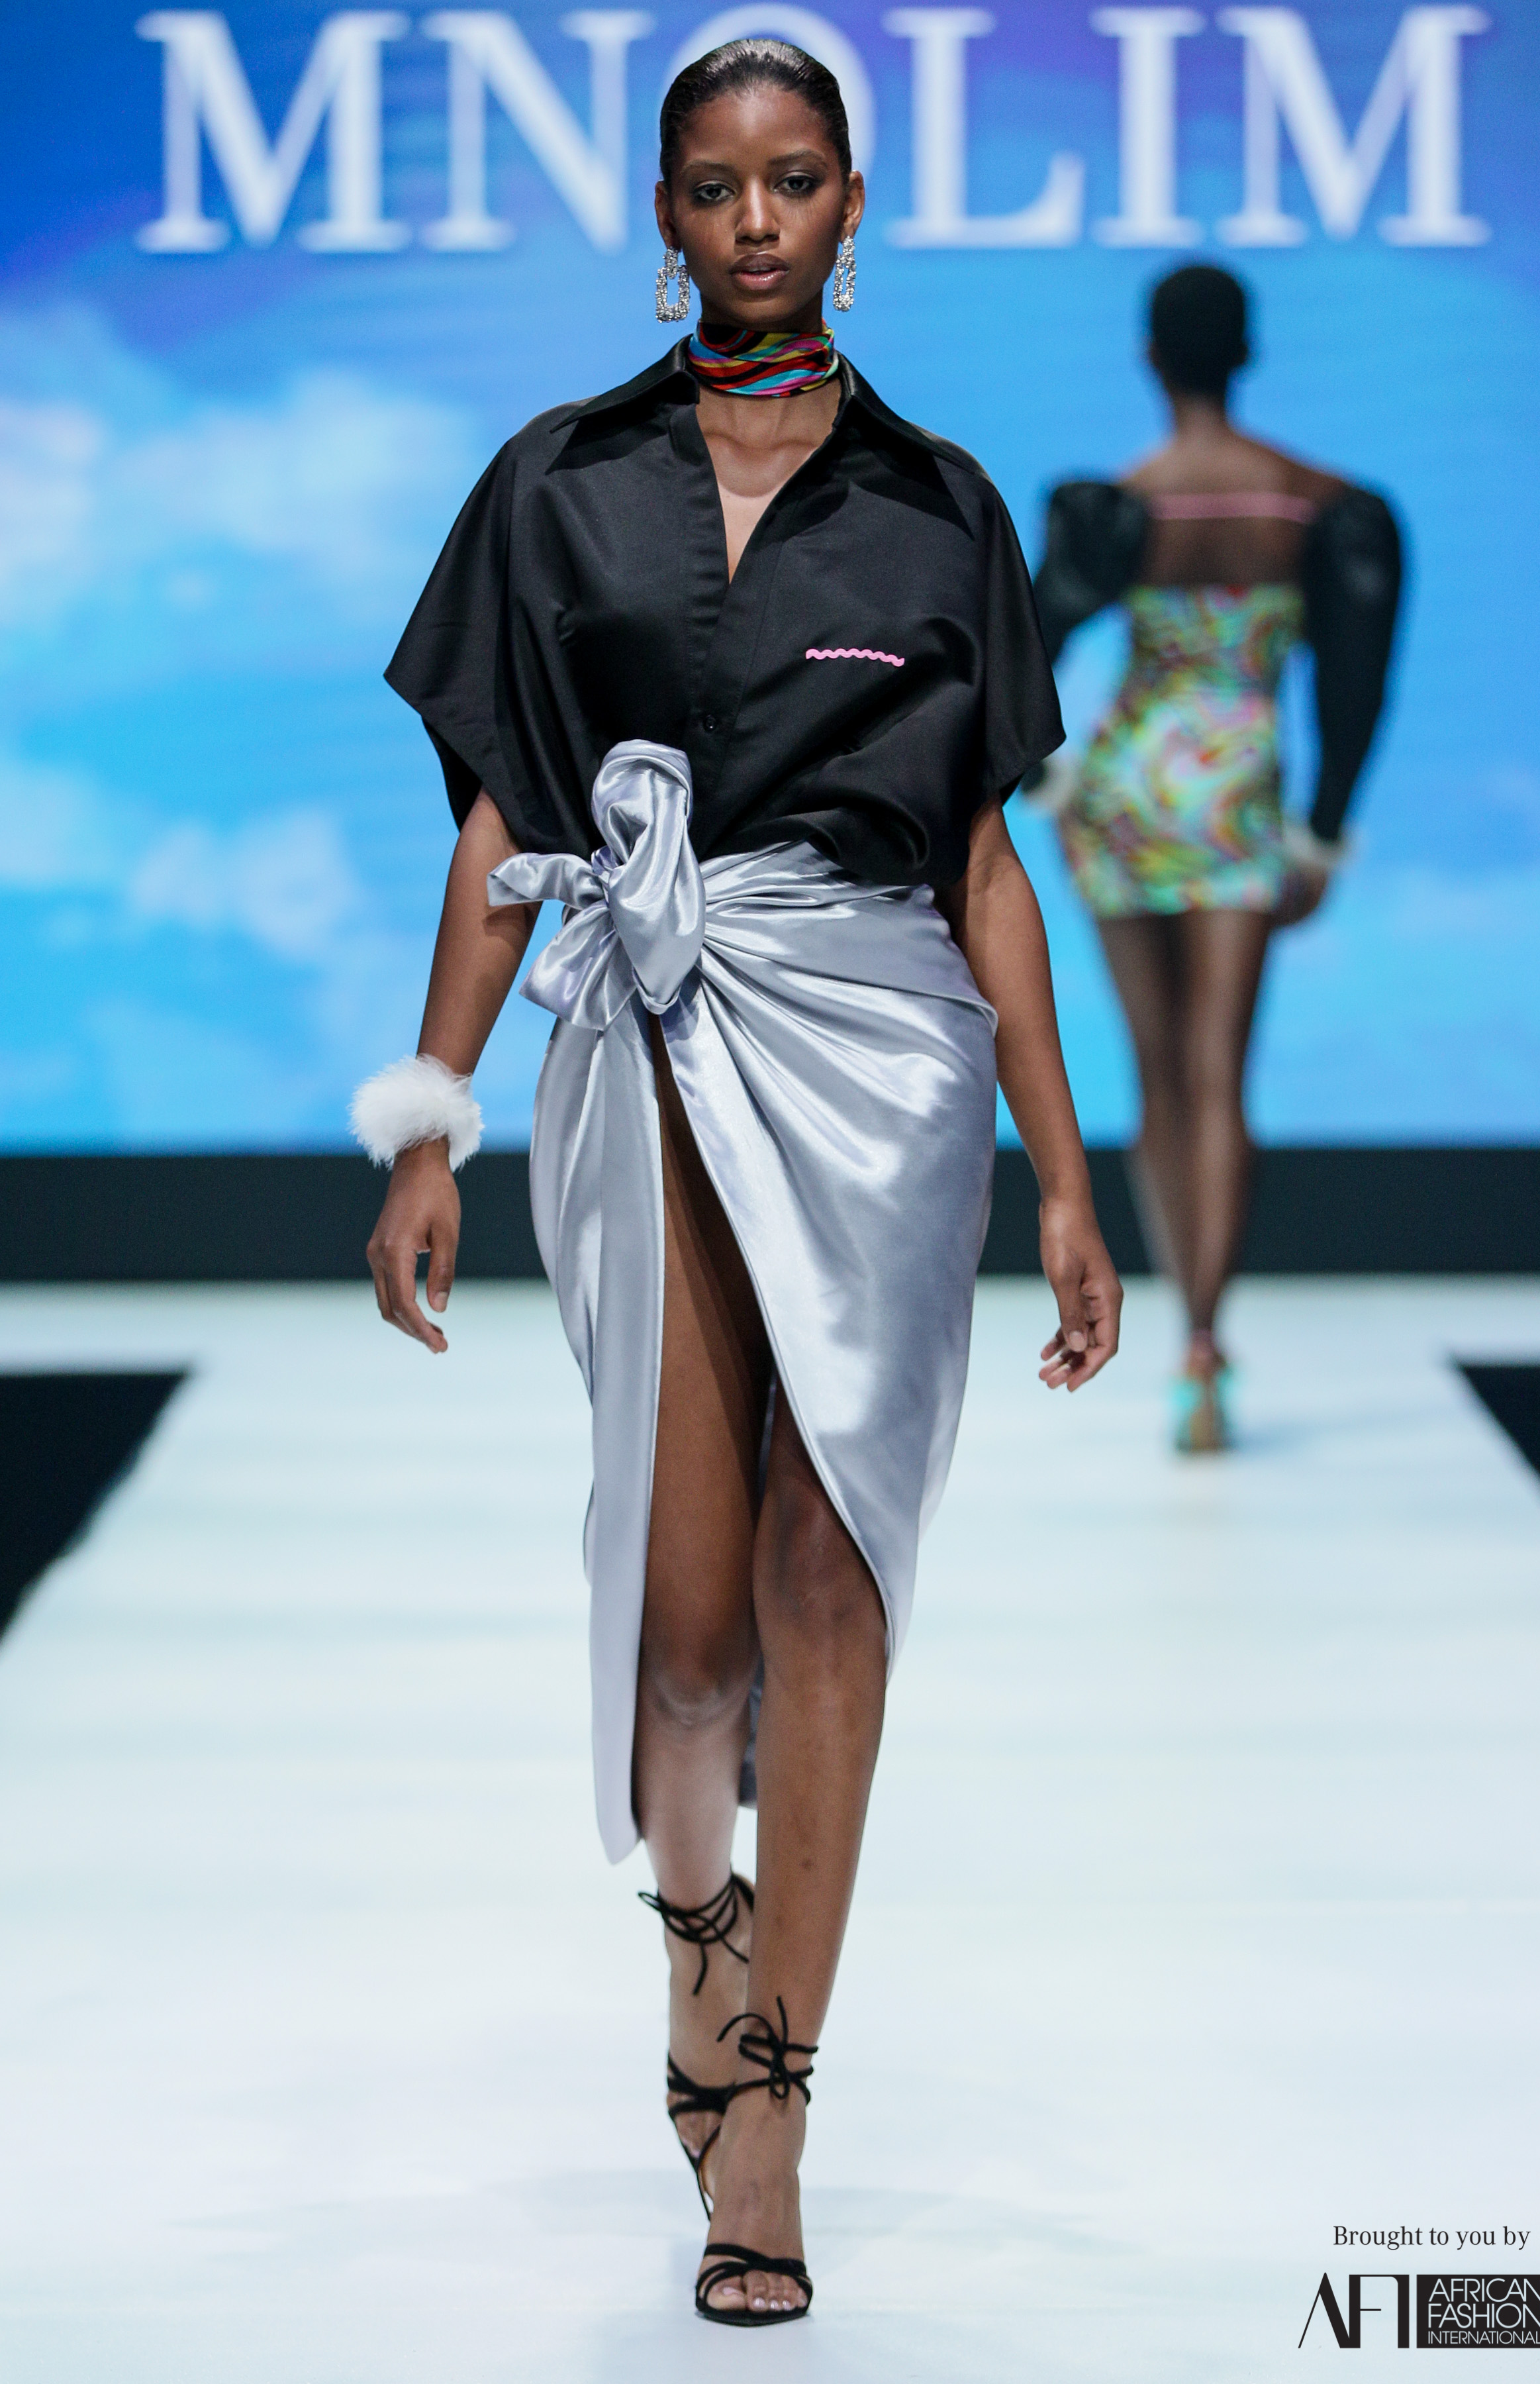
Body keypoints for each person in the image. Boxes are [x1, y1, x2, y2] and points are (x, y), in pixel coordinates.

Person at [352, 39, 1122, 2328]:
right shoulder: (557, 481)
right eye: (717, 184)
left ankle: (774, 2096)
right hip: (644, 1041)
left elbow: (985, 858)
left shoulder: (941, 504)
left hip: (884, 1057)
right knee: (684, 1644)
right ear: (667, 211)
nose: (758, 219)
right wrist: (428, 1119)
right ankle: (700, 1934)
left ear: (852, 204)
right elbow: (506, 820)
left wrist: (1067, 1176)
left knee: (829, 1567)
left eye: (795, 181)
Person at [1031, 264, 1401, 1452]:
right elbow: (1354, 683)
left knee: (1155, 1077)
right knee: (1218, 1074)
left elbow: (1020, 653)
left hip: (1129, 787)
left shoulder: (1126, 503)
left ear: (1151, 357)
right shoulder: (1310, 503)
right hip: (1239, 787)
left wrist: (1053, 785)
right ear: (1248, 352)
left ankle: (1182, 1330)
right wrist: (1324, 834)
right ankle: (1202, 1340)